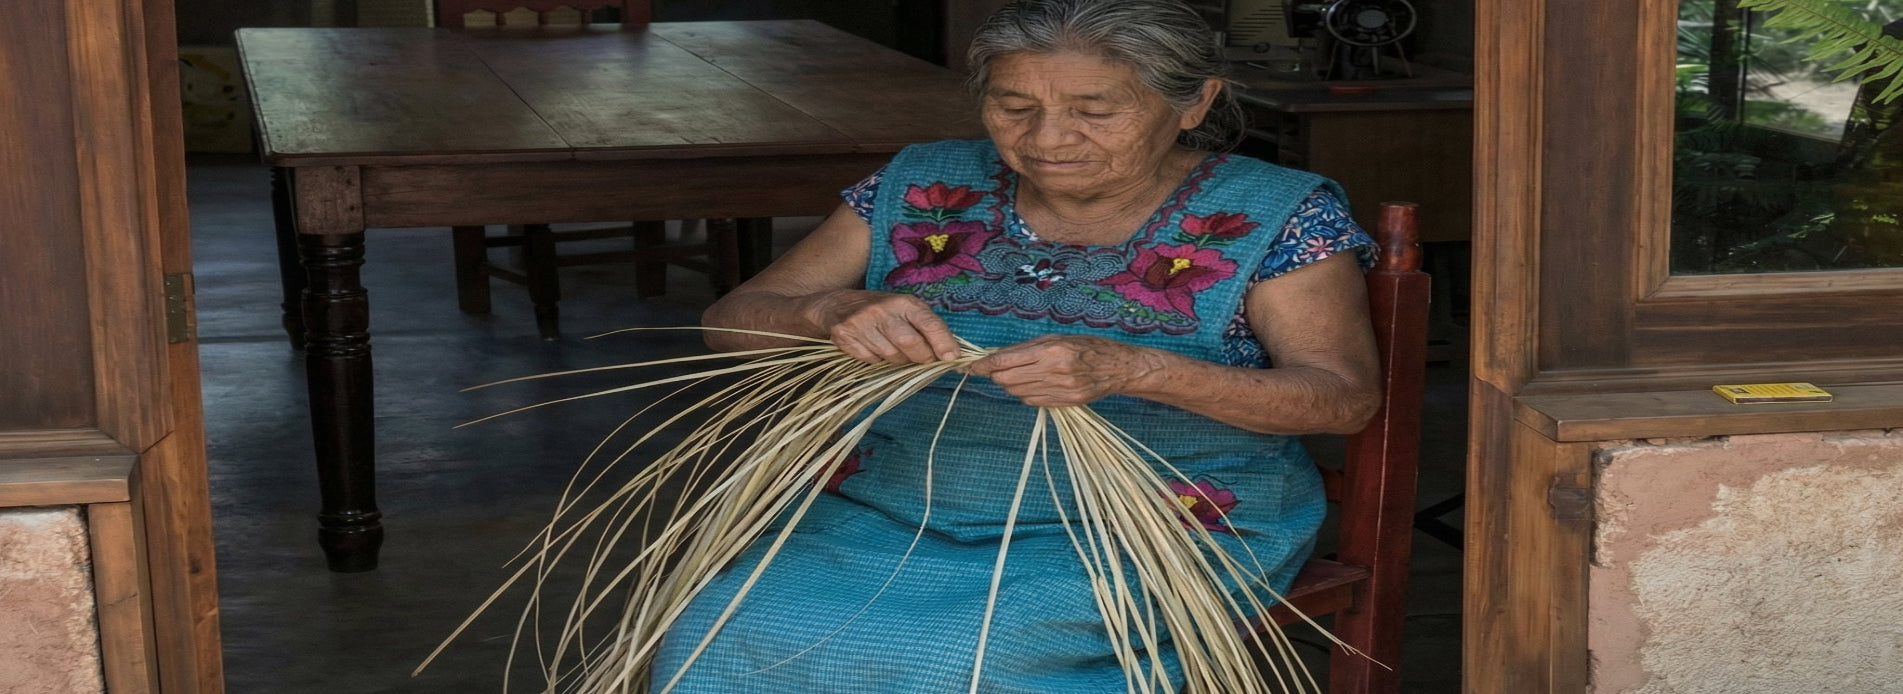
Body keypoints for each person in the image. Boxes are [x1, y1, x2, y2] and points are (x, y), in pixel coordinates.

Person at [653, 0, 1381, 691]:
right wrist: (824, 309)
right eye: (1013, 107)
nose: (1046, 139)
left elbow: (1341, 398)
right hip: (894, 506)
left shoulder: (1277, 213)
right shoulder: (922, 185)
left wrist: (1136, 368)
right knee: (715, 633)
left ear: (1193, 102)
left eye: (1094, 111)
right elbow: (734, 322)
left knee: (960, 662)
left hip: (1146, 522)